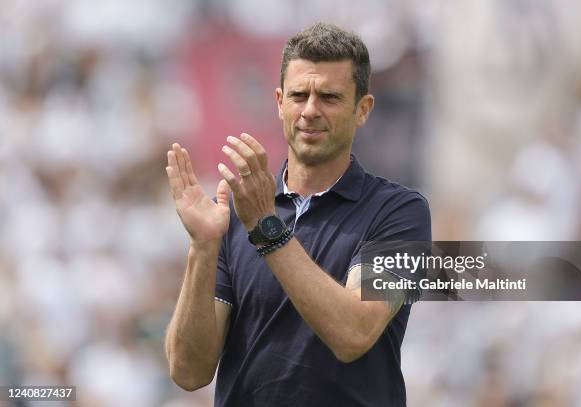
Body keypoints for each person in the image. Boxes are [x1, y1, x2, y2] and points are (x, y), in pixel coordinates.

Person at [164, 22, 431, 406]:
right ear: (278, 102)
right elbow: (189, 372)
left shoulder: (399, 212)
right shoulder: (237, 214)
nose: (310, 110)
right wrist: (203, 247)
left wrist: (266, 228)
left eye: (329, 97)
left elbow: (354, 332)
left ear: (363, 109)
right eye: (299, 95)